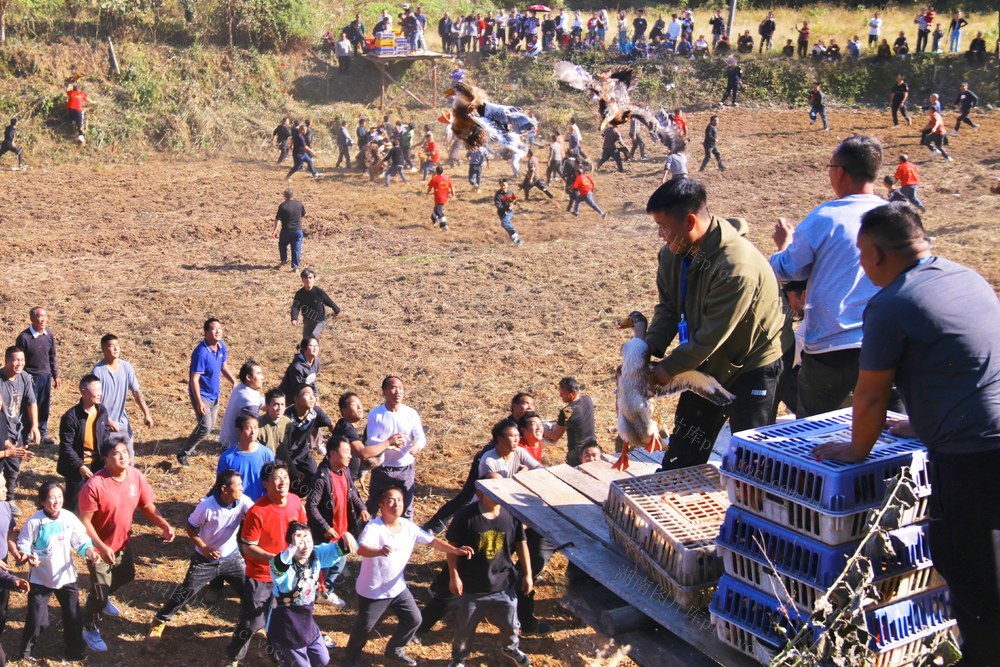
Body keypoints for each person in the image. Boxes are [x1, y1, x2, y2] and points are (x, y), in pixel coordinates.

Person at [811, 203, 1000, 667]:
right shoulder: (965, 276)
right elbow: (969, 359)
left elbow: (871, 395)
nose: (860, 264)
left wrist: (856, 449)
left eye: (859, 255)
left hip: (972, 453)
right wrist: (922, 421)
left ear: (876, 255)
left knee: (970, 566)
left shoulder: (891, 303)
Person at [644, 178, 784, 470]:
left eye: (664, 227)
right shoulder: (672, 255)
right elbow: (668, 308)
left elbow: (711, 336)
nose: (660, 235)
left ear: (690, 221)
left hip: (751, 367)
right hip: (704, 364)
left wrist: (667, 370)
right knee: (684, 454)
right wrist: (645, 350)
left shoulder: (735, 268)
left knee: (753, 462)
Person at [770, 135, 887, 416]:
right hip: (887, 341)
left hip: (833, 344)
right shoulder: (894, 214)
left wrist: (783, 244)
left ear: (840, 172)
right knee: (887, 424)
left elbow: (785, 268)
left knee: (817, 427)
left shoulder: (827, 217)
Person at [344, 486, 474, 667]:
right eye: (390, 500)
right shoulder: (375, 527)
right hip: (374, 591)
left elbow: (432, 541)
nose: (396, 503)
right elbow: (361, 549)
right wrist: (379, 551)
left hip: (397, 587)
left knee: (414, 619)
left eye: (399, 499)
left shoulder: (407, 526)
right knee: (365, 627)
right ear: (382, 505)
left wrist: (455, 550)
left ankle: (395, 650)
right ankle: (351, 657)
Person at [78, 439, 175, 653]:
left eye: (124, 451)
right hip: (99, 549)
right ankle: (89, 627)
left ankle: (99, 595)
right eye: (116, 453)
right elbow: (84, 521)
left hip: (122, 543)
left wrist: (163, 524)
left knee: (127, 575)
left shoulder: (135, 476)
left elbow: (146, 505)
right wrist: (101, 547)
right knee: (100, 594)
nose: (123, 456)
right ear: (104, 458)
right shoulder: (95, 485)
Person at [148, 470, 252, 638]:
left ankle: (251, 623)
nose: (242, 488)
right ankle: (159, 620)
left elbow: (257, 514)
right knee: (186, 591)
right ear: (225, 489)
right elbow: (190, 527)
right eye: (238, 485)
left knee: (249, 591)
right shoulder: (206, 507)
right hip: (204, 560)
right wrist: (204, 548)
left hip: (232, 558)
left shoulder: (243, 501)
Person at [225, 461, 306, 666]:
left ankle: (278, 657)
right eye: (276, 478)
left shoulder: (296, 502)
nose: (282, 482)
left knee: (280, 621)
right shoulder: (257, 511)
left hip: (287, 577)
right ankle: (234, 657)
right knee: (252, 622)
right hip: (261, 576)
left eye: (285, 477)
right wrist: (275, 559)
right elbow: (247, 547)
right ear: (266, 483)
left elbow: (303, 533)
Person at [421, 393, 535, 536]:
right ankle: (436, 526)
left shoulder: (531, 423)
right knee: (469, 496)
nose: (530, 406)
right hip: (490, 463)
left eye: (532, 404)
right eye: (526, 403)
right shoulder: (508, 425)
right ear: (514, 406)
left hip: (510, 465)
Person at [445, 488, 533, 667]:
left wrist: (528, 574)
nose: (497, 495)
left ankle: (510, 648)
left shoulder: (511, 514)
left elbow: (521, 543)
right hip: (472, 587)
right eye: (492, 491)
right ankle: (458, 659)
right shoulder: (466, 516)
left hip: (504, 584)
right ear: (480, 493)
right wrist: (454, 576)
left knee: (511, 625)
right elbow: (451, 548)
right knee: (464, 630)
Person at [17, 481, 97, 661]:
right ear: (43, 501)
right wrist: (28, 556)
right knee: (36, 620)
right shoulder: (35, 522)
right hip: (40, 578)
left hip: (65, 576)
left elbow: (81, 540)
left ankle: (75, 651)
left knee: (73, 615)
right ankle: (25, 653)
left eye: (59, 497)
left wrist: (90, 551)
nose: (56, 501)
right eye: (52, 498)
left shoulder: (68, 518)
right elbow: (23, 544)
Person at [268, 522, 353, 666]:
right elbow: (277, 567)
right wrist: (293, 547)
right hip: (286, 625)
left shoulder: (316, 555)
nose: (306, 546)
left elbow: (335, 550)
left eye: (308, 540)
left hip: (306, 622)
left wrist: (346, 536)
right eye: (300, 542)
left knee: (322, 659)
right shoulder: (284, 565)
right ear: (290, 544)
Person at [306, 436, 369, 607]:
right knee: (322, 567)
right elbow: (311, 506)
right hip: (328, 534)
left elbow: (353, 492)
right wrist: (325, 527)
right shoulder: (322, 478)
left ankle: (327, 590)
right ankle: (314, 593)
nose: (350, 456)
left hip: (344, 531)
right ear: (333, 454)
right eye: (346, 452)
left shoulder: (345, 472)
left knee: (339, 565)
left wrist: (362, 508)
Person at [365, 376, 426, 520]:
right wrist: (389, 442)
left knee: (406, 507)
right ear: (384, 392)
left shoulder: (411, 413)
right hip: (382, 467)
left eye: (400, 388)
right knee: (373, 505)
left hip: (405, 467)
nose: (397, 391)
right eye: (393, 387)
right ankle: (365, 536)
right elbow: (370, 439)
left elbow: (421, 437)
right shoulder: (376, 414)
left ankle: (405, 539)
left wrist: (417, 446)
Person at [178, 318, 234, 467]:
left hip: (214, 393)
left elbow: (223, 366)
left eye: (220, 328)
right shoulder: (201, 352)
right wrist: (199, 401)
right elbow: (194, 379)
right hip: (202, 394)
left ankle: (191, 446)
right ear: (205, 333)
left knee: (209, 425)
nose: (218, 331)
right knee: (206, 427)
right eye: (214, 329)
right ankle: (184, 452)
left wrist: (233, 381)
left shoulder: (221, 347)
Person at [56, 374, 112, 512]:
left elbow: (105, 436)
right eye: (96, 390)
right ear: (83, 392)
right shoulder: (70, 417)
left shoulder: (101, 411)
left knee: (98, 500)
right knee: (75, 503)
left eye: (100, 389)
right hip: (77, 467)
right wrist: (79, 466)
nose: (99, 393)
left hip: (98, 464)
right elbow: (66, 447)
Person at [91, 333, 153, 455]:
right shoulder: (97, 371)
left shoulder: (126, 367)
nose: (116, 348)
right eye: (111, 346)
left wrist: (146, 413)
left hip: (122, 423)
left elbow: (136, 392)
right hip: (105, 425)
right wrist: (107, 420)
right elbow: (93, 401)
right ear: (103, 349)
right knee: (110, 460)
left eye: (117, 345)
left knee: (129, 458)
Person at [15, 306, 60, 447]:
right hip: (30, 377)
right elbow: (19, 359)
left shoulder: (48, 334)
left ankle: (42, 432)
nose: (43, 319)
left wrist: (55, 375)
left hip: (45, 376)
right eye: (40, 316)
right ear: (32, 318)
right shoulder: (24, 337)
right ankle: (26, 436)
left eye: (45, 316)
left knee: (44, 405)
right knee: (29, 406)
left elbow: (52, 356)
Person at [1, 346, 39, 506]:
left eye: (22, 360)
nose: (19, 363)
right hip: (2, 430)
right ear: (7, 360)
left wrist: (35, 426)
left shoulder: (24, 377)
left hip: (17, 430)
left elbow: (31, 402)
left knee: (14, 468)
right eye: (15, 359)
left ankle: (9, 499)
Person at [280, 386, 333, 499]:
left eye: (313, 394)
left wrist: (336, 441)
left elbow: (331, 425)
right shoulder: (286, 417)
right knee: (291, 482)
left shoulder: (316, 412)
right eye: (307, 394)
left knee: (315, 476)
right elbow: (279, 444)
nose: (312, 397)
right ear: (296, 398)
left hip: (303, 452)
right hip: (285, 455)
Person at [218, 415, 274, 502]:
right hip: (236, 506)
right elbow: (221, 484)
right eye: (249, 428)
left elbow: (271, 481)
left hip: (260, 504)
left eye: (255, 428)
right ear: (239, 430)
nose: (253, 432)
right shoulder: (227, 457)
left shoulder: (267, 454)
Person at [546, 377, 596, 466]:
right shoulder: (587, 399)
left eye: (563, 394)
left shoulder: (567, 411)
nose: (560, 396)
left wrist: (543, 430)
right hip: (594, 449)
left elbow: (555, 436)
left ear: (573, 393)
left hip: (578, 454)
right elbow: (577, 417)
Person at [218, 359, 265, 450]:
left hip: (224, 440)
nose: (262, 377)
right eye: (259, 374)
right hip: (234, 447)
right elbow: (253, 428)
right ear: (248, 377)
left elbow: (264, 404)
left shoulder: (242, 387)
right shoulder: (248, 399)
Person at [290, 269, 341, 341]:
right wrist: (294, 318)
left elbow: (329, 302)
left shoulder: (319, 292)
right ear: (302, 280)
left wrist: (336, 310)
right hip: (307, 322)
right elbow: (295, 307)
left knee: (312, 339)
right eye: (306, 278)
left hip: (319, 322)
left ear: (314, 279)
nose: (308, 280)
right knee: (305, 343)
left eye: (310, 278)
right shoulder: (299, 294)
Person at [273, 188, 306, 271]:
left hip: (286, 230)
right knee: (296, 248)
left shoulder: (282, 206)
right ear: (292, 195)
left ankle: (284, 260)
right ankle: (295, 267)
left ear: (284, 196)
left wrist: (275, 231)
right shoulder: (299, 204)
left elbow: (278, 219)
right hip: (297, 230)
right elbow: (303, 214)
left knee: (282, 244)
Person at [279, 337, 321, 401]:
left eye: (316, 345)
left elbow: (313, 379)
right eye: (312, 346)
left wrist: (315, 394)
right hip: (289, 399)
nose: (315, 348)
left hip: (305, 396)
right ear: (304, 348)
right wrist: (311, 398)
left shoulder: (317, 361)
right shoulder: (297, 367)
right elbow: (297, 389)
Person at [258, 388, 289, 454]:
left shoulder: (288, 423)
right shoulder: (257, 425)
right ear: (267, 406)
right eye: (276, 405)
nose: (280, 408)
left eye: (282, 404)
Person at [494, 179, 523, 247]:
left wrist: (514, 203)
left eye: (504, 185)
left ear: (507, 185)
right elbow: (498, 205)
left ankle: (514, 233)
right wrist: (507, 207)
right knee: (506, 226)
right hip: (501, 212)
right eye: (501, 186)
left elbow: (513, 200)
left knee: (504, 223)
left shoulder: (510, 192)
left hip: (509, 212)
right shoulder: (498, 194)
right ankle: (517, 241)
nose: (503, 187)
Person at [427, 165, 456, 231]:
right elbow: (452, 187)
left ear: (436, 171)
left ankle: (443, 225)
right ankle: (433, 219)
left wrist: (427, 193)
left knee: (439, 211)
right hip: (445, 197)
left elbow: (429, 187)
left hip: (438, 197)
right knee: (436, 209)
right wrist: (453, 195)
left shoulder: (434, 179)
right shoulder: (447, 178)